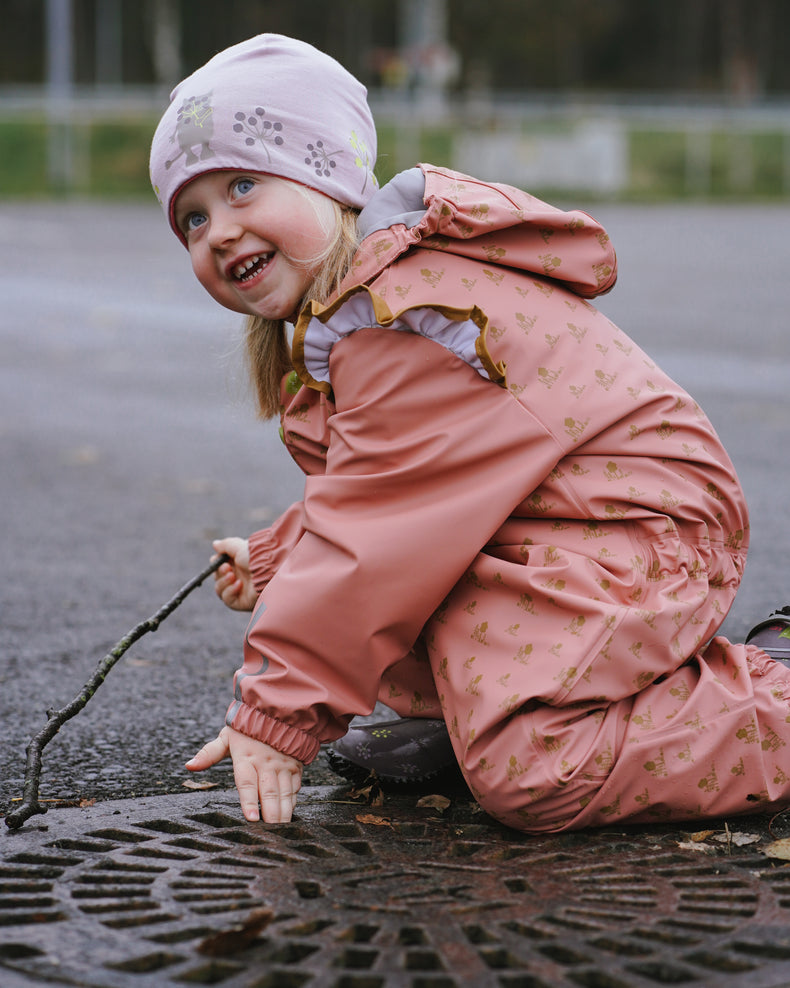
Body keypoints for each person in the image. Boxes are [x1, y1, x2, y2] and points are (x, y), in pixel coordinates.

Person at [149, 33, 790, 832]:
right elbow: (393, 493)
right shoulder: (375, 306)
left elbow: (381, 530)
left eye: (244, 185)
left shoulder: (410, 319)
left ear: (327, 177)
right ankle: (486, 712)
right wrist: (281, 555)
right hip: (579, 524)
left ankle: (770, 706)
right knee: (409, 609)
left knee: (532, 771)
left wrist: (280, 716)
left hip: (641, 533)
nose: (217, 232)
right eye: (193, 219)